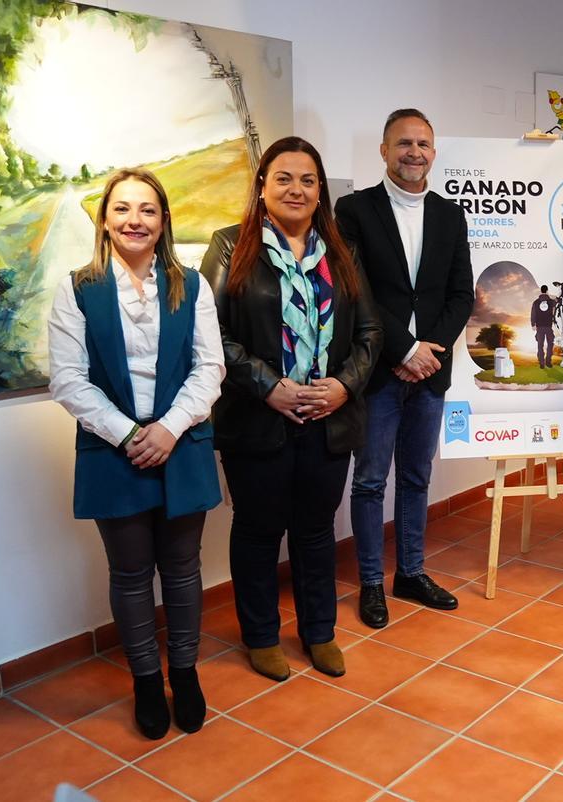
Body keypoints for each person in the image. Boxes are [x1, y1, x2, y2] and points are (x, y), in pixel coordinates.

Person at [48, 168, 224, 740]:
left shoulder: (191, 286)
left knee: (182, 569)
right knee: (129, 574)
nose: (135, 220)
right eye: (122, 209)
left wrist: (168, 429)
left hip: (182, 442)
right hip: (111, 449)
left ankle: (185, 674)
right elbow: (68, 379)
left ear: (163, 220)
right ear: (104, 220)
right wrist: (128, 434)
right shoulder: (78, 289)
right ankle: (147, 681)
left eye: (147, 210)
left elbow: (210, 367)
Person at [201, 137, 382, 680]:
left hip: (328, 420)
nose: (295, 189)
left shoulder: (342, 251)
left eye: (307, 180)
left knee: (316, 531)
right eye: (283, 178)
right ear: (262, 186)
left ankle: (319, 633)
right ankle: (260, 636)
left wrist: (344, 386)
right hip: (258, 419)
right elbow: (211, 334)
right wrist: (269, 387)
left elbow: (371, 332)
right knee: (258, 531)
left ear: (320, 190)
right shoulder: (231, 246)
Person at [337, 109, 474, 629]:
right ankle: (372, 582)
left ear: (433, 152)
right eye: (403, 144)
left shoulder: (450, 215)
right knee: (371, 481)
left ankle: (411, 573)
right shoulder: (354, 210)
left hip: (430, 372)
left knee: (417, 477)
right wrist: (404, 349)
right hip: (378, 370)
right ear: (384, 150)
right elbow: (356, 291)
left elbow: (461, 294)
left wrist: (427, 353)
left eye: (423, 144)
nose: (414, 153)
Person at [531, 284, 557, 369]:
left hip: (539, 327)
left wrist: (533, 324)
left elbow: (533, 314)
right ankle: (548, 362)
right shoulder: (551, 302)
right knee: (550, 344)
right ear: (547, 291)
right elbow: (557, 302)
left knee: (540, 345)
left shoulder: (536, 302)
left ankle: (541, 363)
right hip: (548, 326)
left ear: (541, 291)